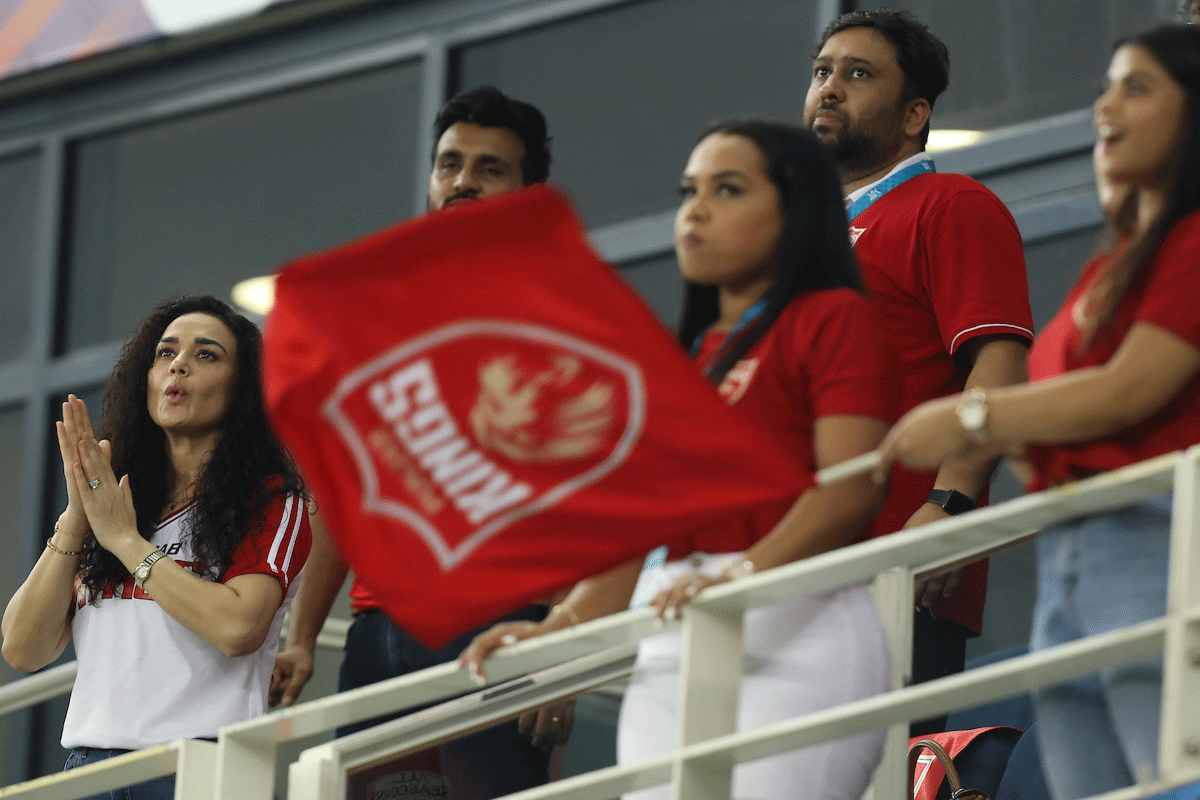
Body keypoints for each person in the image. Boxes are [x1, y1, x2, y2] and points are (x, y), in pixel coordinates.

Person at [461, 120, 895, 800]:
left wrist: (744, 576)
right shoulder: (679, 360)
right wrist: (559, 627)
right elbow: (638, 537)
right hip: (677, 625)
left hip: (800, 620)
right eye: (689, 190)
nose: (695, 209)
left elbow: (851, 487)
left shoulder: (833, 317)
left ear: (796, 209)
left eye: (728, 190)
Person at [880, 24, 1200, 800]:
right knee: (1094, 781)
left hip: (1158, 541)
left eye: (1137, 87)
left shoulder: (1193, 242)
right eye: (1104, 88)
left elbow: (1132, 390)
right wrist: (1014, 428)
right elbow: (1052, 432)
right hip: (1073, 550)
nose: (1106, 107)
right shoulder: (1114, 266)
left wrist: (972, 422)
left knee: (1165, 776)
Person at [268, 85, 566, 800]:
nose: (461, 182)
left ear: (529, 192)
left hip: (501, 625)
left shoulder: (562, 319)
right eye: (449, 164)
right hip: (377, 633)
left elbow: (594, 496)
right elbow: (349, 489)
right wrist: (305, 633)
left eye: (489, 168)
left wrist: (565, 646)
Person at [803, 9, 1034, 731]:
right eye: (822, 72)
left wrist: (954, 508)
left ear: (915, 115)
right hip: (775, 581)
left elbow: (998, 360)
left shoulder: (948, 205)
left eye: (857, 74)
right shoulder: (792, 242)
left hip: (888, 575)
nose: (830, 88)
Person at [1, 295, 312, 800]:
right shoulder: (115, 504)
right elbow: (22, 647)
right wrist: (79, 517)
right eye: (166, 353)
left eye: (206, 354)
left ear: (242, 389)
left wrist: (128, 544)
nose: (179, 365)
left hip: (195, 768)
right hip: (87, 769)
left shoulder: (270, 499)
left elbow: (238, 628)